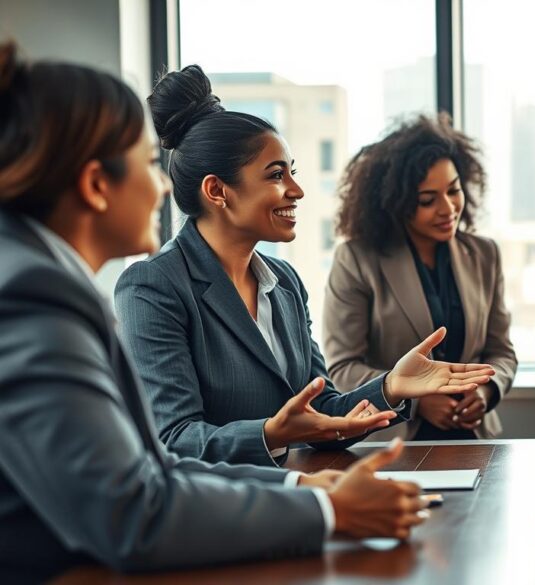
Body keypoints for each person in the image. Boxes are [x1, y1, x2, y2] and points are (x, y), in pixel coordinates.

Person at [0, 42, 442, 578]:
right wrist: (326, 509)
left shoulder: (281, 280)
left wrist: (308, 476)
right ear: (96, 185)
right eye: (145, 163)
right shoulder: (37, 296)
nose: (163, 184)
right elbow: (137, 507)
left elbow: (154, 468)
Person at [115, 66, 495, 466]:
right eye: (277, 175)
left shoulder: (284, 283)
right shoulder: (152, 286)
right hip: (213, 516)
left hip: (292, 499)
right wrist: (271, 433)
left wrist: (393, 386)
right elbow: (172, 440)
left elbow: (323, 407)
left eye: (292, 172)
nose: (296, 190)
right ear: (217, 191)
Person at [323, 114, 517, 440]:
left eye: (454, 190)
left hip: (475, 440)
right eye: (427, 200)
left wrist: (485, 392)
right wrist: (415, 400)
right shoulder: (356, 259)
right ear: (395, 203)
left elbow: (501, 351)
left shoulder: (485, 254)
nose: (447, 208)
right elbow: (342, 368)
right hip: (394, 443)